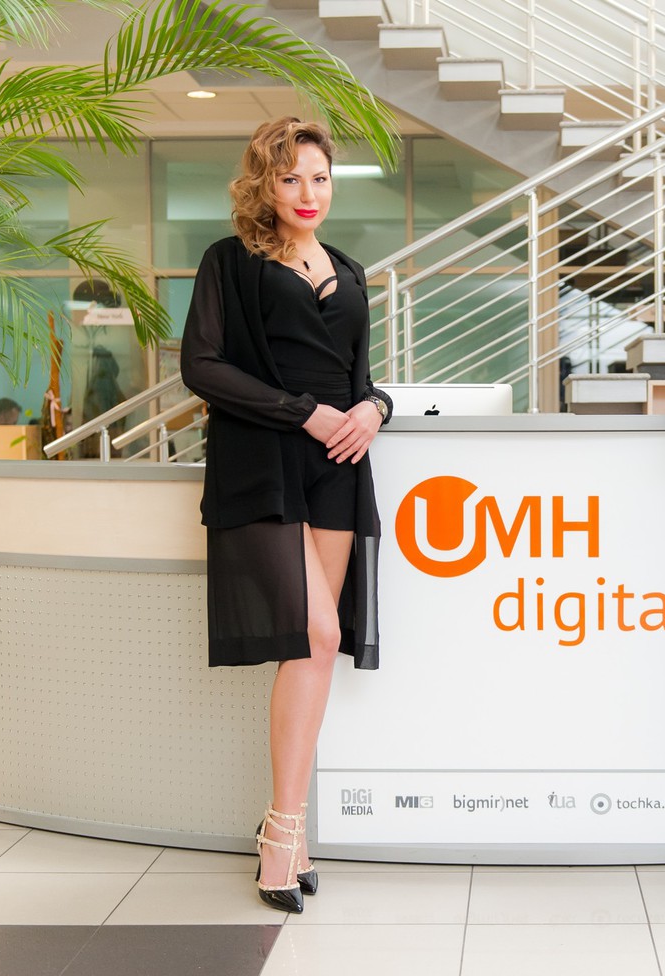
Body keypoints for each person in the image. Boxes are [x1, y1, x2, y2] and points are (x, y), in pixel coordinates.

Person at [180, 117, 393, 915]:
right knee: (318, 632)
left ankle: (289, 831)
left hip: (337, 465)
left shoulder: (350, 269)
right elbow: (201, 365)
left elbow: (361, 379)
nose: (309, 193)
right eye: (291, 178)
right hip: (264, 461)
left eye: (320, 178)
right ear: (264, 184)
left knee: (313, 650)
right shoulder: (228, 261)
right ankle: (282, 833)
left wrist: (374, 409)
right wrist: (303, 411)